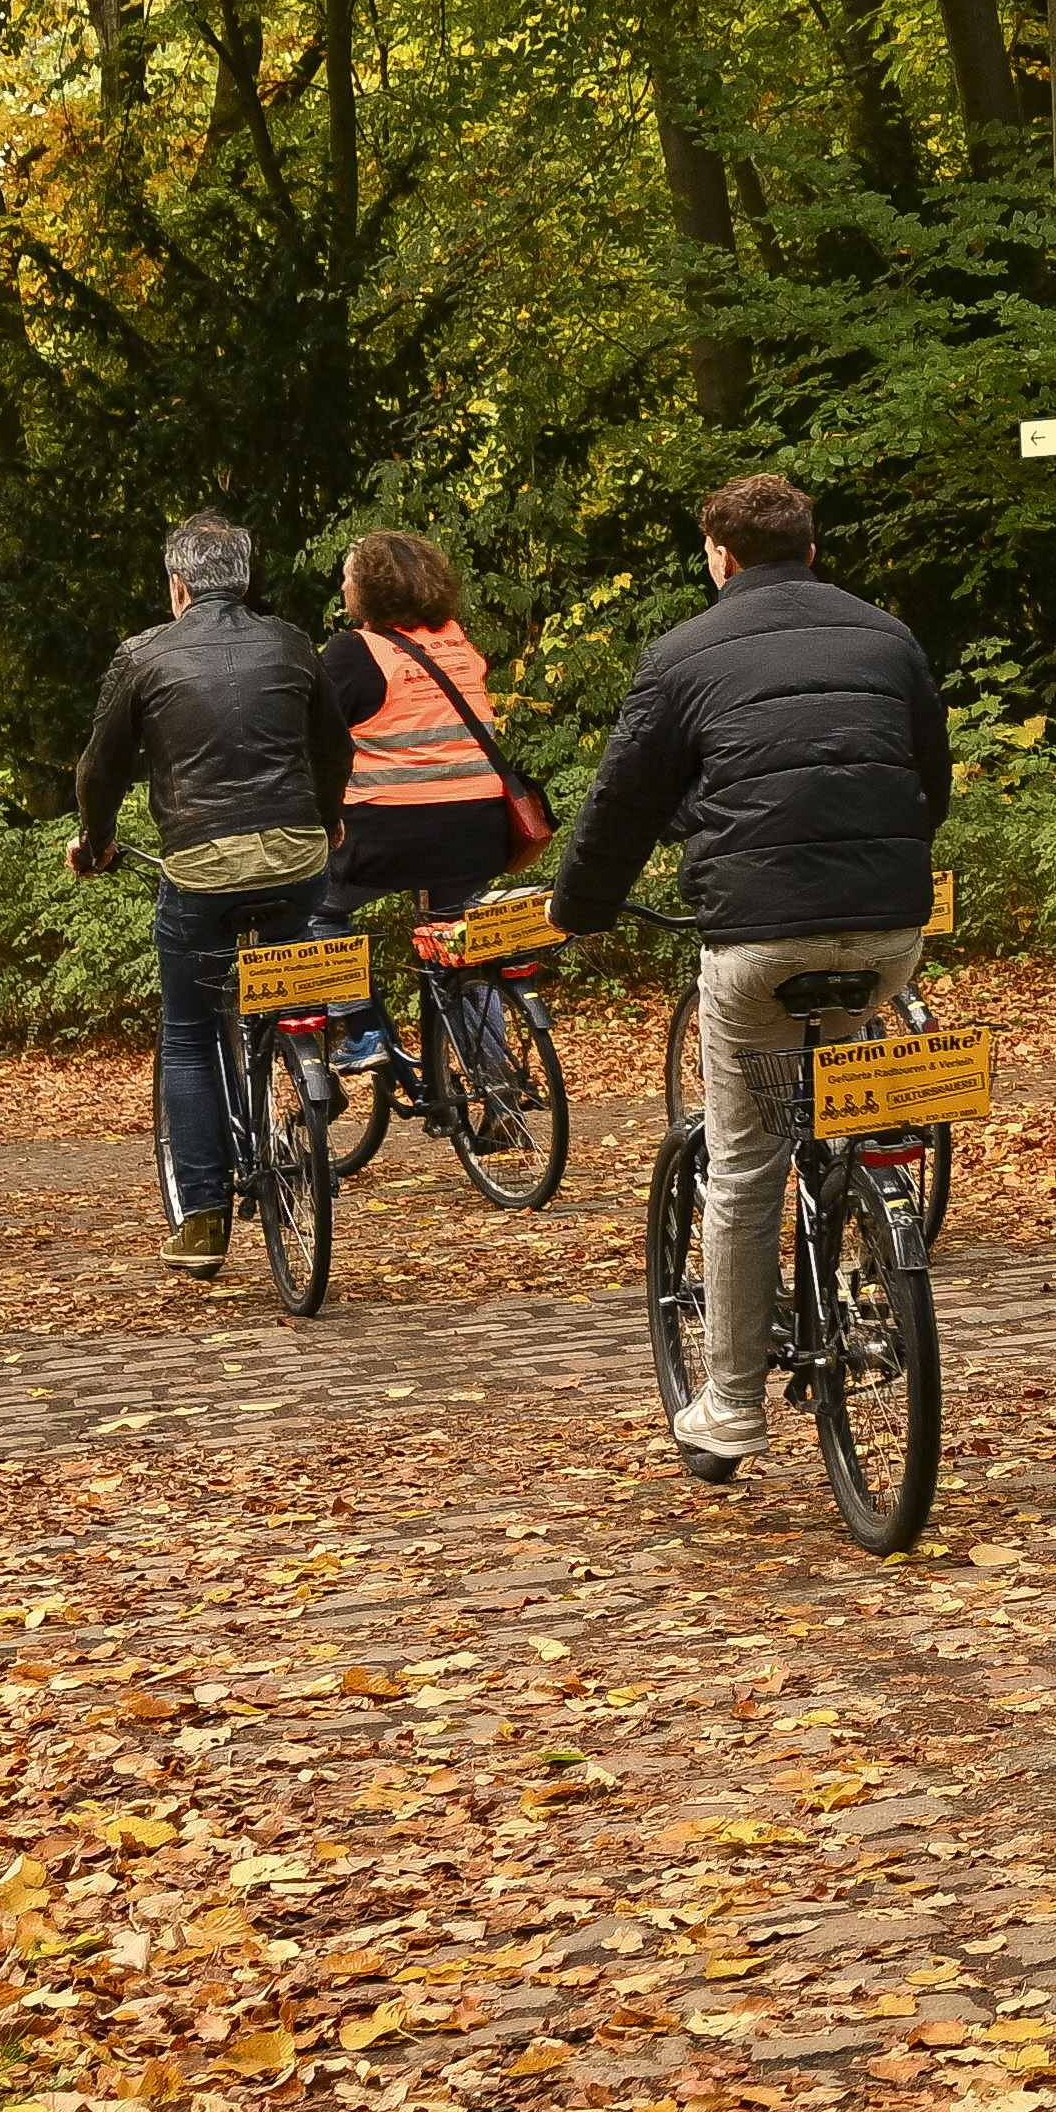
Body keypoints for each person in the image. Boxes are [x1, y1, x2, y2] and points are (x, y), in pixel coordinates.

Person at [549, 466, 954, 1466]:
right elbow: (929, 782)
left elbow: (620, 806)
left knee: (742, 1161)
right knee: (839, 1064)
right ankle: (864, 1203)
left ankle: (730, 1402)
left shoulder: (682, 652)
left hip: (760, 939)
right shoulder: (888, 636)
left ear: (718, 556)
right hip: (888, 929)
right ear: (811, 550)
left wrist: (578, 907)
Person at [67, 511, 339, 1271]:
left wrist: (96, 843)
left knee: (188, 1029)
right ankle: (306, 1059)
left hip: (201, 863)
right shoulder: (290, 642)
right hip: (296, 851)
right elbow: (332, 745)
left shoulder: (143, 655)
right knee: (290, 971)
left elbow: (99, 770)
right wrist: (329, 818)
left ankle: (205, 1217)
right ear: (245, 578)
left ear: (178, 585)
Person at [314, 526, 549, 1112]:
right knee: (458, 940)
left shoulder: (352, 653)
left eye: (348, 576)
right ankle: (498, 1087)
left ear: (366, 589)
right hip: (477, 830)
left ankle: (363, 1028)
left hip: (386, 834)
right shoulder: (458, 645)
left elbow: (311, 737)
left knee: (316, 909)